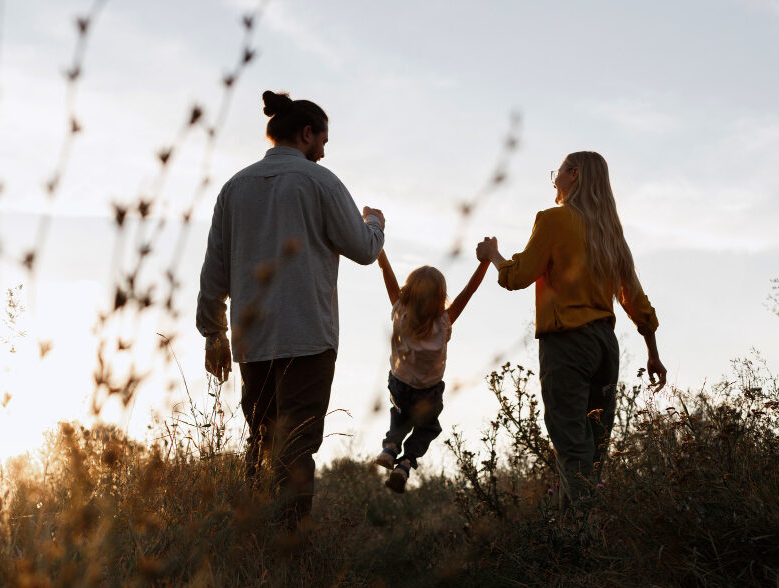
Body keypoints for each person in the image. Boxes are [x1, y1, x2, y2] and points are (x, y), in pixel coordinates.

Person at [196, 90, 386, 529]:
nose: (322, 152)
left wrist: (213, 334)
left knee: (261, 442)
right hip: (308, 337)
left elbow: (214, 270)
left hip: (252, 341)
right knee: (296, 446)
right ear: (306, 134)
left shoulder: (234, 189)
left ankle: (254, 541)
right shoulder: (320, 182)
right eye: (322, 141)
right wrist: (374, 222)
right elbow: (363, 249)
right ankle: (288, 549)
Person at [476, 151, 667, 510]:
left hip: (567, 345)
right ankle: (573, 546)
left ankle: (584, 539)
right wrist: (653, 352)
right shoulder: (611, 233)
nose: (555, 178)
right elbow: (635, 299)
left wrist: (493, 255)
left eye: (558, 171)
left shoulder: (553, 220)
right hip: (605, 348)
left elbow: (516, 277)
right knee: (593, 451)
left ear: (574, 174)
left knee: (573, 448)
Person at [373, 249, 489, 493]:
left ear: (409, 293)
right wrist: (485, 262)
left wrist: (381, 250)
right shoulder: (444, 322)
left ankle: (391, 447)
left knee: (400, 413)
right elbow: (469, 291)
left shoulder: (399, 311)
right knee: (428, 428)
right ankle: (405, 463)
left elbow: (388, 275)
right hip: (429, 393)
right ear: (440, 297)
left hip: (399, 384)